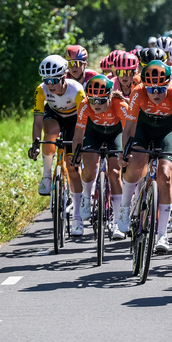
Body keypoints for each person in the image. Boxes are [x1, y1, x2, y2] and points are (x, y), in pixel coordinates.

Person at [119, 61, 172, 254]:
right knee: (135, 162)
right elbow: (128, 129)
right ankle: (125, 208)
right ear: (145, 85)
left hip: (168, 130)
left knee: (165, 173)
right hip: (144, 129)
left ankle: (162, 233)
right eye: (151, 88)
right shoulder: (138, 92)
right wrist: (125, 153)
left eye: (161, 88)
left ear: (168, 84)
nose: (156, 93)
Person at [71, 75, 127, 240]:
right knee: (89, 165)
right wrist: (76, 155)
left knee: (115, 172)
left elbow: (128, 133)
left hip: (115, 134)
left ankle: (117, 222)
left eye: (101, 101)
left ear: (110, 96)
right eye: (92, 100)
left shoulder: (120, 105)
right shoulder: (84, 105)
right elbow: (78, 135)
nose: (96, 105)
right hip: (93, 133)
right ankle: (86, 197)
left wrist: (126, 152)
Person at [29, 55, 86, 214]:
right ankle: (47, 176)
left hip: (75, 119)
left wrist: (80, 145)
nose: (50, 85)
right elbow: (37, 122)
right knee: (51, 133)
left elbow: (84, 121)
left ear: (64, 77)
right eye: (47, 80)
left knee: (72, 167)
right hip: (53, 115)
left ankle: (77, 216)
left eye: (54, 80)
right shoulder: (41, 90)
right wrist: (35, 143)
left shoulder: (76, 90)